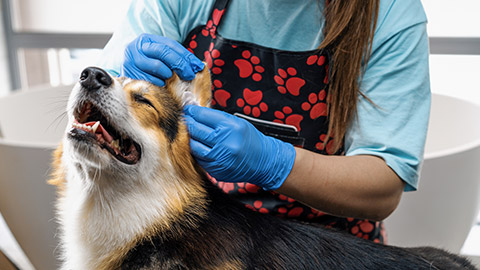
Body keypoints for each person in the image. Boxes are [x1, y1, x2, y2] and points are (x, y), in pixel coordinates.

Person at [98, 0, 430, 243]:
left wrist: (272, 162)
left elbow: (382, 189)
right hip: (195, 232)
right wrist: (121, 83)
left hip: (331, 247)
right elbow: (93, 114)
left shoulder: (390, 13)